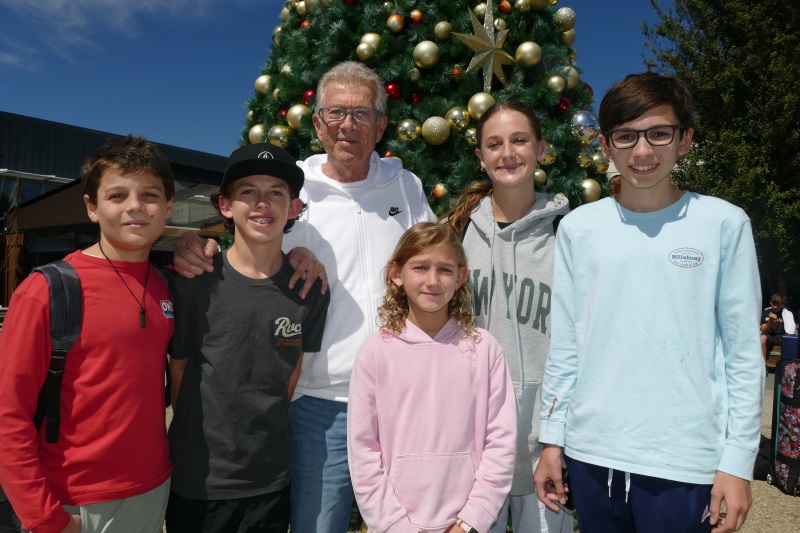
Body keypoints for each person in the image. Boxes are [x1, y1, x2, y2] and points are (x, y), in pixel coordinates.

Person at [172, 61, 436, 532]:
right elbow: (249, 243)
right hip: (321, 406)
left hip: (403, 398)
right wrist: (194, 243)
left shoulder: (406, 186)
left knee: (414, 523)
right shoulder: (294, 192)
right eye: (335, 112)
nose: (348, 125)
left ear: (381, 125)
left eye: (361, 113)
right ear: (317, 123)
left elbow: (435, 263)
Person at [533, 72, 763, 533]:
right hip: (592, 454)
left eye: (659, 133)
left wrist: (738, 462)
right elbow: (566, 346)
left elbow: (742, 355)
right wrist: (552, 441)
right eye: (627, 136)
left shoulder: (723, 224)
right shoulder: (579, 229)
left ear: (685, 140)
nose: (642, 152)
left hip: (684, 460)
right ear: (605, 145)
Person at [0, 135, 176, 533]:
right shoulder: (46, 291)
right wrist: (45, 517)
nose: (135, 206)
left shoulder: (168, 285)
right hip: (74, 503)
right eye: (116, 195)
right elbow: (8, 414)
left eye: (150, 194)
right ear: (92, 208)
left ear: (167, 207)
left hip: (152, 488)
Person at [165, 143, 330, 533]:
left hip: (270, 482)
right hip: (199, 481)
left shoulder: (309, 290)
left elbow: (287, 379)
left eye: (276, 192)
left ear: (293, 209)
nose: (262, 203)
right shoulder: (194, 282)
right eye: (248, 191)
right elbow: (179, 371)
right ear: (225, 205)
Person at [443, 100, 572, 533]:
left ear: (540, 147)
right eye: (494, 144)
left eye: (520, 140)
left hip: (546, 444)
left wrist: (558, 434)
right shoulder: (456, 232)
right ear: (480, 156)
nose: (508, 153)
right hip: (472, 443)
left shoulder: (568, 234)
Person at [348, 222, 516, 533]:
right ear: (397, 274)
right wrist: (394, 525)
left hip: (468, 525)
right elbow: (363, 450)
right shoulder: (375, 352)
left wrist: (472, 520)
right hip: (395, 524)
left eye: (445, 270)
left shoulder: (484, 349)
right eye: (420, 267)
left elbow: (501, 442)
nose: (432, 281)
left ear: (461, 277)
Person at [760, 293, 796, 362]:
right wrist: (771, 320)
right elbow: (764, 330)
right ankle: (763, 366)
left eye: (778, 305)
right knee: (762, 338)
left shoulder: (786, 314)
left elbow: (791, 329)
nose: (775, 306)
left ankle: (789, 365)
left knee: (791, 339)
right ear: (771, 302)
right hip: (770, 336)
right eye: (774, 304)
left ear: (781, 305)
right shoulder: (766, 312)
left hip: (782, 336)